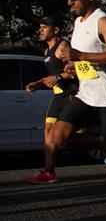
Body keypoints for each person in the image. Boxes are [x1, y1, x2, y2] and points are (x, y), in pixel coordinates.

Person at [41, 0, 106, 210]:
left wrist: (81, 57)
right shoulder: (78, 24)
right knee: (55, 138)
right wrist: (73, 67)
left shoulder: (102, 21)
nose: (69, 3)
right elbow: (83, 59)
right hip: (86, 93)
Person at [25, 16, 77, 184]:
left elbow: (76, 70)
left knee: (66, 137)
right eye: (40, 27)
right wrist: (38, 83)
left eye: (44, 27)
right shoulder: (46, 51)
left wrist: (58, 76)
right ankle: (49, 172)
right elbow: (53, 76)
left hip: (70, 95)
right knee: (48, 133)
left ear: (55, 30)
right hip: (58, 96)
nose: (40, 30)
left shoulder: (62, 46)